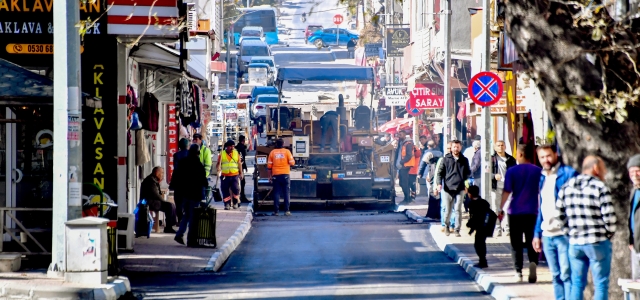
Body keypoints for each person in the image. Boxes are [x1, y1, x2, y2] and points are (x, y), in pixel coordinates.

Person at [557, 155, 616, 300]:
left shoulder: (567, 187)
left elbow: (559, 217)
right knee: (601, 284)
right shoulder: (600, 187)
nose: (605, 172)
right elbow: (610, 218)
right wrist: (607, 234)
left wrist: (569, 234)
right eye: (603, 168)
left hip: (575, 243)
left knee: (576, 284)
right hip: (597, 242)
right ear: (595, 168)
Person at [532, 144, 578, 300]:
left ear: (556, 154)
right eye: (542, 157)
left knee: (566, 274)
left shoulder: (568, 174)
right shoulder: (542, 177)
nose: (546, 160)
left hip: (563, 234)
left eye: (548, 156)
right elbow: (541, 208)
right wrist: (537, 234)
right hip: (547, 234)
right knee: (555, 275)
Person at [498, 143, 541, 283]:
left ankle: (518, 271)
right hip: (533, 211)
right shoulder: (538, 171)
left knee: (515, 243)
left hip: (515, 211)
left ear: (520, 154)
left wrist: (500, 209)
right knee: (531, 241)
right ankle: (533, 263)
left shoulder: (512, 171)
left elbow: (507, 191)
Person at [171, 144, 208, 246]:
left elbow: (176, 176)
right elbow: (203, 182)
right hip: (194, 195)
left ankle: (179, 234)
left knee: (186, 215)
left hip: (183, 194)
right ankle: (190, 239)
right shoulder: (198, 165)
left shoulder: (182, 162)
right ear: (198, 153)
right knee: (192, 217)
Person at [436, 139, 471, 237]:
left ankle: (457, 229)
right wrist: (439, 184)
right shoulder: (445, 159)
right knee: (448, 209)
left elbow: (468, 173)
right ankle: (446, 226)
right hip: (448, 188)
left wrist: (466, 184)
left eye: (458, 147)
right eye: (454, 147)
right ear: (451, 148)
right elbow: (440, 173)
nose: (456, 149)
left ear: (461, 147)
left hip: (460, 188)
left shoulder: (464, 160)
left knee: (458, 209)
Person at [140, 166, 177, 233]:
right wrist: (164, 201)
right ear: (157, 173)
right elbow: (156, 194)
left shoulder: (154, 179)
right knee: (169, 206)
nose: (162, 175)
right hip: (149, 202)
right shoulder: (151, 181)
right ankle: (169, 227)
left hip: (153, 201)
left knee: (171, 205)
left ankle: (171, 224)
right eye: (162, 173)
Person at [491, 140, 517, 236]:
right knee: (496, 208)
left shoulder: (511, 159)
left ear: (505, 147)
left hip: (508, 187)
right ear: (495, 147)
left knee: (507, 208)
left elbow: (515, 172)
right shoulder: (491, 159)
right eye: (498, 145)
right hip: (495, 187)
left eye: (502, 145)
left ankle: (507, 228)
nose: (500, 147)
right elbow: (486, 173)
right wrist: (494, 176)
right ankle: (498, 228)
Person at [267, 139, 295, 216]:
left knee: (276, 193)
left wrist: (269, 177)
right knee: (286, 193)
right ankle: (287, 211)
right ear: (283, 144)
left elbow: (269, 167)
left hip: (276, 175)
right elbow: (292, 163)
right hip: (285, 175)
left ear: (276, 144)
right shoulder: (287, 152)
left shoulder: (272, 152)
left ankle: (276, 211)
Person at [467, 185, 491, 269]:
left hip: (481, 227)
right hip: (485, 226)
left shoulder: (472, 204)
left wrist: (470, 227)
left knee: (478, 244)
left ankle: (483, 261)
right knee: (480, 243)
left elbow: (474, 217)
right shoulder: (484, 202)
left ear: (470, 194)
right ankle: (482, 260)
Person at [215, 140, 243, 210]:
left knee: (236, 189)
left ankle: (235, 202)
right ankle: (227, 204)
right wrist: (218, 168)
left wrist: (241, 173)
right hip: (225, 175)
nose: (232, 148)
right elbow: (218, 164)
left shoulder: (236, 153)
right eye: (231, 146)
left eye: (233, 146)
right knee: (225, 190)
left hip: (234, 175)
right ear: (227, 147)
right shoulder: (222, 154)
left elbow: (239, 163)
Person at [433, 142, 454, 230]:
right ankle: (444, 224)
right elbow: (437, 174)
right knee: (445, 206)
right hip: (445, 186)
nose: (449, 150)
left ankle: (452, 225)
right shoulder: (442, 160)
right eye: (448, 149)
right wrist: (436, 186)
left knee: (453, 207)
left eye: (451, 148)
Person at [628, 154, 640, 300]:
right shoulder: (634, 191)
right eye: (632, 172)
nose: (635, 175)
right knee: (635, 282)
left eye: (638, 171)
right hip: (635, 245)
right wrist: (630, 239)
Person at [171, 138, 190, 222]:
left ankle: (180, 219)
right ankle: (187, 219)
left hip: (178, 183)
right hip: (189, 182)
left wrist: (172, 183)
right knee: (188, 201)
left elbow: (175, 170)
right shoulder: (191, 154)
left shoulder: (176, 155)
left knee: (178, 202)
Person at [395, 131, 416, 205]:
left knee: (404, 183)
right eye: (398, 135)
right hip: (402, 166)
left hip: (405, 166)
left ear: (404, 135)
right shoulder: (402, 143)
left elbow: (409, 155)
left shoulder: (408, 144)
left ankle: (407, 199)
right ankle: (407, 198)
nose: (399, 136)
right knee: (402, 183)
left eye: (400, 134)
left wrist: (402, 162)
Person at [235, 135, 250, 203]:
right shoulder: (241, 148)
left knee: (239, 183)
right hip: (240, 167)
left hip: (235, 168)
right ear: (243, 141)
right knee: (242, 182)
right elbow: (242, 159)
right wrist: (244, 167)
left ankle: (239, 196)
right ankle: (241, 197)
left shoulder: (236, 148)